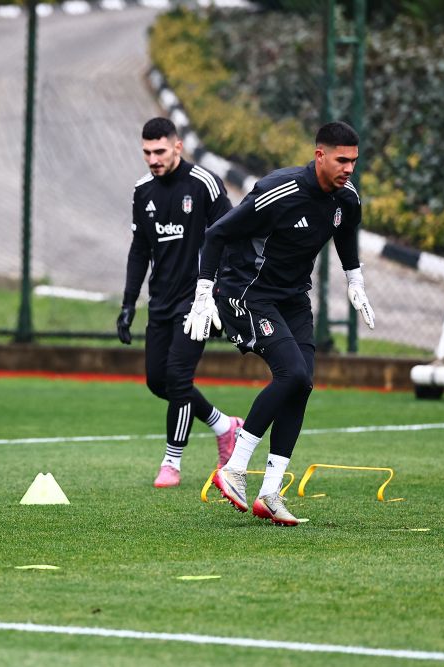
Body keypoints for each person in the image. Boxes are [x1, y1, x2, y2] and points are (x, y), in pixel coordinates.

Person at [186, 120, 376, 526]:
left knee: (302, 384)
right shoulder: (279, 191)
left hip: (293, 299)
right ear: (319, 155)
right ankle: (234, 468)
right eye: (341, 160)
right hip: (247, 293)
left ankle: (269, 493)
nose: (349, 169)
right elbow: (217, 234)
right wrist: (203, 292)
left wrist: (355, 279)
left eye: (354, 161)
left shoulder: (347, 197)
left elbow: (344, 231)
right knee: (292, 374)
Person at [116, 117, 244, 488]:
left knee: (178, 376)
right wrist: (128, 303)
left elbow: (231, 236)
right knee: (158, 381)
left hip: (198, 300)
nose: (153, 159)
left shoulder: (204, 183)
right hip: (161, 300)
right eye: (146, 153)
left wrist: (219, 293)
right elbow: (139, 250)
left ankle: (171, 462)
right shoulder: (142, 191)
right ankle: (225, 426)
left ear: (177, 147)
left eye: (159, 151)